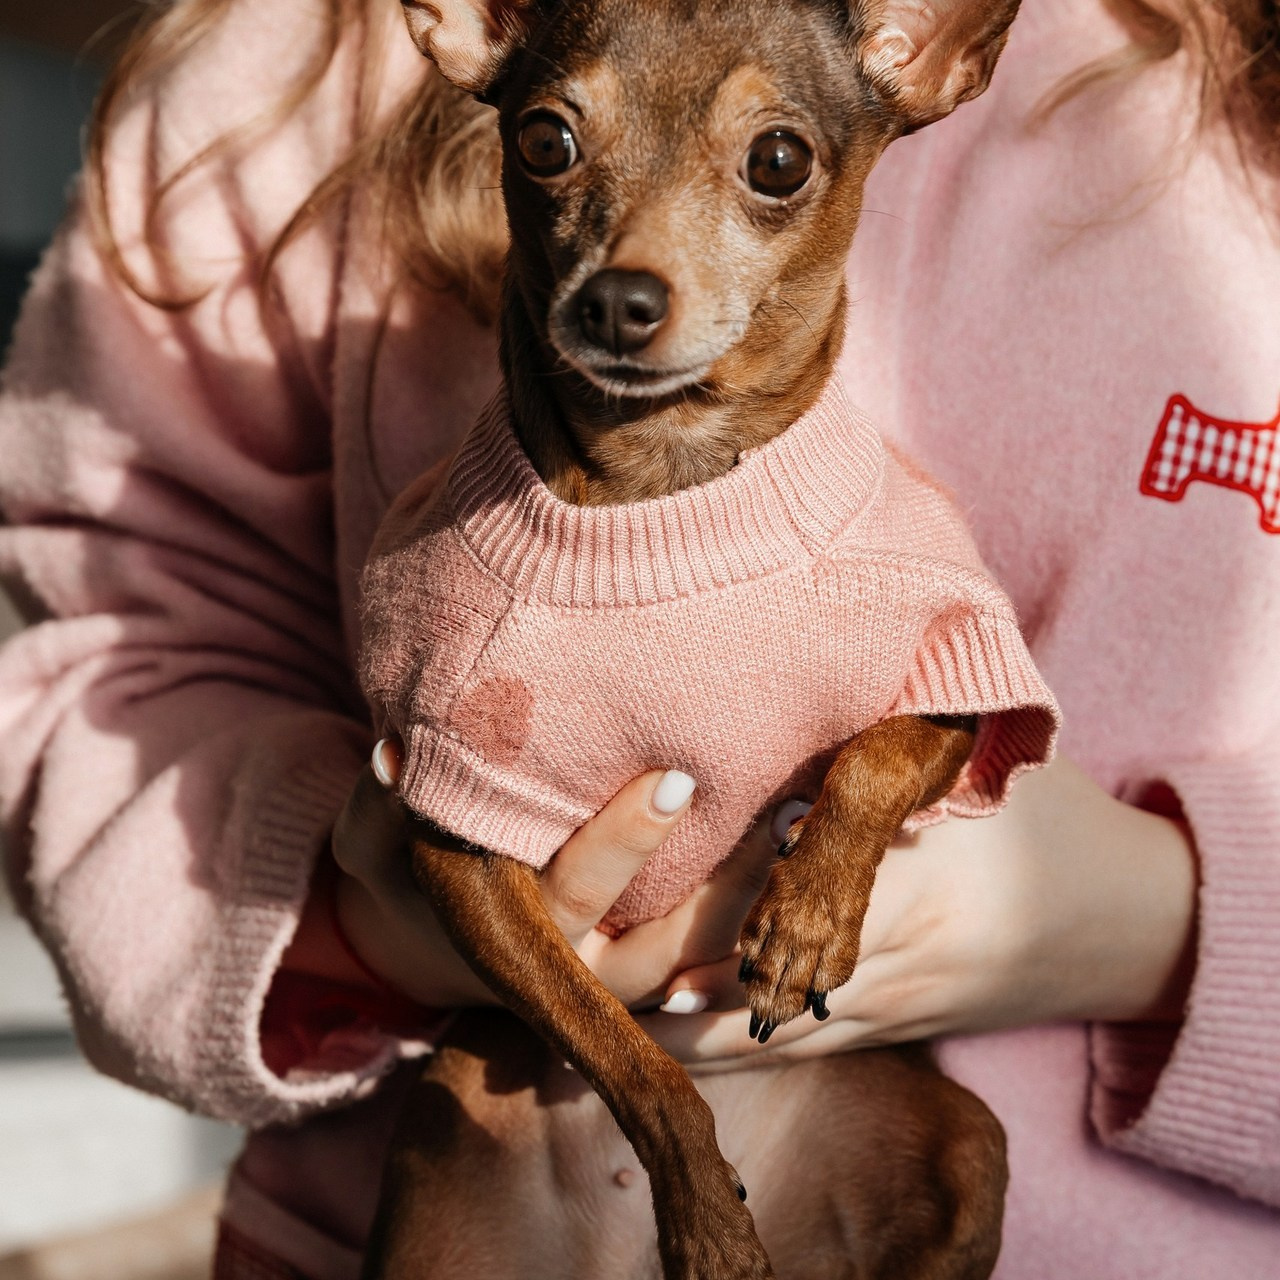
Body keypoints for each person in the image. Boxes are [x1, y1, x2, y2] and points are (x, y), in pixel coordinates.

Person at [0, 0, 1276, 1276]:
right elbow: (113, 640)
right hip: (448, 1198)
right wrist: (357, 921)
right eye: (557, 147)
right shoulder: (296, 62)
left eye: (769, 166)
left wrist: (1160, 919)